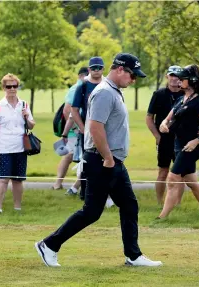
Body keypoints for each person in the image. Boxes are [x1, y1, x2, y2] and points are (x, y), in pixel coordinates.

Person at [35, 53, 162, 267]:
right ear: (120, 69)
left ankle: (133, 255)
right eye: (132, 76)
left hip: (111, 160)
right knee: (92, 212)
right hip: (102, 160)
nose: (134, 81)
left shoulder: (113, 91)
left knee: (129, 205)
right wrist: (108, 158)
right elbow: (94, 127)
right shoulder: (104, 93)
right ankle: (49, 245)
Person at [157, 65, 199, 219]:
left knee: (173, 178)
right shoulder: (180, 99)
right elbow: (168, 118)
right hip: (178, 144)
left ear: (192, 81)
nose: (178, 80)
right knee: (191, 181)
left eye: (182, 78)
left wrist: (197, 141)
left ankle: (162, 217)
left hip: (191, 147)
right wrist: (163, 124)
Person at [0, 73, 35, 213]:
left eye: (15, 86)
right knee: (3, 179)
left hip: (21, 148)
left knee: (18, 180)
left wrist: (27, 117)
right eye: (9, 86)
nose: (12, 89)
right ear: (4, 88)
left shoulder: (24, 104)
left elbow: (32, 125)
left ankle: (17, 208)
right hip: (4, 148)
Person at [63, 57, 106, 201]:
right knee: (87, 162)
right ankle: (85, 194)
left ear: (103, 69)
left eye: (98, 68)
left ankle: (106, 194)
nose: (96, 71)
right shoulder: (83, 85)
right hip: (87, 131)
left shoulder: (107, 85)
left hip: (106, 129)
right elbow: (74, 110)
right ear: (89, 69)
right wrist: (83, 129)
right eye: (93, 68)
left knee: (107, 160)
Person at [146, 65, 185, 205]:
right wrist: (157, 136)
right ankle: (159, 202)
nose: (175, 78)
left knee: (181, 173)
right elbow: (149, 117)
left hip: (182, 140)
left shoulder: (187, 95)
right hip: (164, 140)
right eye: (172, 75)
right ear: (167, 77)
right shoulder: (159, 94)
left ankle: (177, 204)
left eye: (178, 76)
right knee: (163, 171)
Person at [51, 65, 91, 191]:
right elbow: (68, 110)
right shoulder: (77, 88)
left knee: (82, 157)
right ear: (81, 76)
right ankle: (60, 184)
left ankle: (74, 187)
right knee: (71, 155)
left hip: (80, 128)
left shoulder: (84, 87)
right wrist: (76, 127)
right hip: (76, 129)